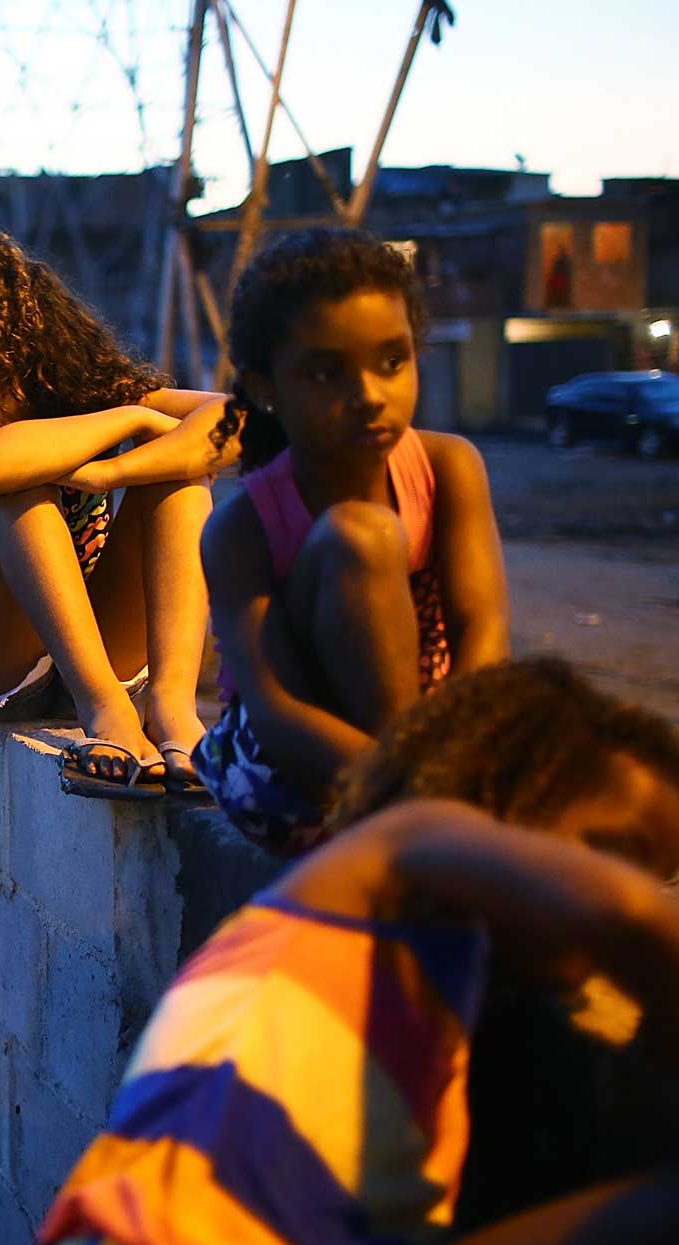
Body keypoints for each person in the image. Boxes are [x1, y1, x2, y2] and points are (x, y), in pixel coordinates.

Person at [17, 658, 679, 1245]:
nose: (625, 880)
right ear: (509, 783)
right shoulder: (395, 850)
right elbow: (631, 916)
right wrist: (678, 1065)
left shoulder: (430, 1018)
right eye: (608, 848)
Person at [194, 227, 509, 853]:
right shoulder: (241, 529)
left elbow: (484, 635)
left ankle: (422, 811)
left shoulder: (449, 467)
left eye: (393, 361)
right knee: (359, 537)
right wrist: (413, 786)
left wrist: (455, 760)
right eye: (325, 373)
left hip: (434, 744)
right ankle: (418, 818)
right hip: (297, 770)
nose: (369, 395)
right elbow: (278, 711)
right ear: (264, 387)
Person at [0, 220, 234, 797]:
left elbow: (242, 419)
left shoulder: (81, 401)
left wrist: (115, 469)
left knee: (178, 471)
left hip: (98, 650)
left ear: (2, 346)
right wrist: (132, 416)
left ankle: (173, 709)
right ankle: (107, 715)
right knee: (21, 485)